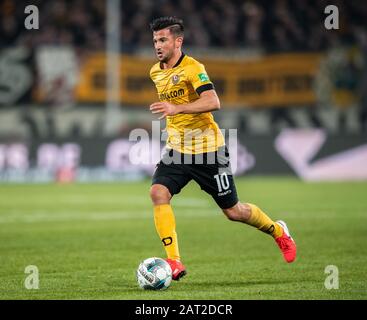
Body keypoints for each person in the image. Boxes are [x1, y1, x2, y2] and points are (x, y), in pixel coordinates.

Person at [148, 16, 296, 281]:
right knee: (158, 193)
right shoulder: (155, 72)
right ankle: (174, 261)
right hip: (177, 150)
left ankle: (278, 231)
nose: (157, 45)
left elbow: (213, 101)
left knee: (233, 211)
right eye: (155, 40)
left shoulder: (194, 68)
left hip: (209, 150)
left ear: (177, 41)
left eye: (163, 40)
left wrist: (177, 108)